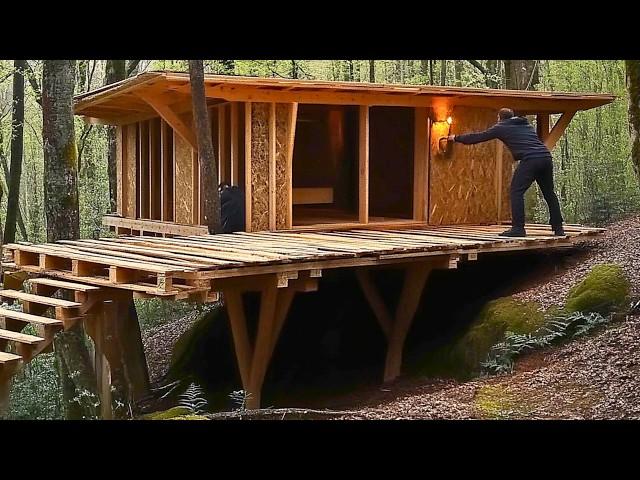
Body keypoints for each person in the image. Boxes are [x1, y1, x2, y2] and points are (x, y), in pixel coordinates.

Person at [447, 108, 565, 237]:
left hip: (531, 159)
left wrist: (456, 138)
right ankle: (558, 228)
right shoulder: (526, 125)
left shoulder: (501, 127)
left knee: (516, 191)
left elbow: (478, 137)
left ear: (499, 117)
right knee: (549, 193)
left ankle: (518, 228)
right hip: (546, 157)